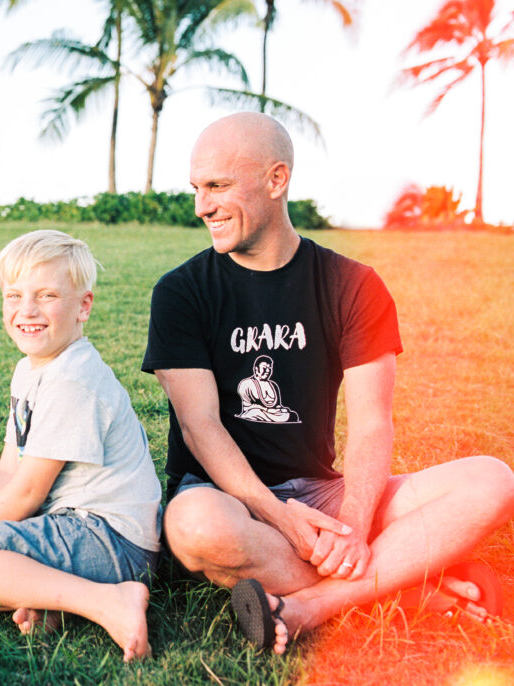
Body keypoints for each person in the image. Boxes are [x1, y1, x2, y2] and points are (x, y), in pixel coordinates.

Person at [142, 112, 514, 654]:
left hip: (325, 494)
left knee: (491, 480)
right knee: (193, 526)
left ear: (276, 180)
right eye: (197, 189)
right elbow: (201, 429)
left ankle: (314, 606)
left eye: (218, 186)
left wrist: (356, 527)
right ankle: (406, 585)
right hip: (227, 496)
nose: (202, 206)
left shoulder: (352, 284)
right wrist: (285, 522)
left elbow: (371, 426)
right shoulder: (180, 291)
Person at [0, 230, 163, 662]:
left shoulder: (73, 379)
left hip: (110, 539)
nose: (27, 311)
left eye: (47, 295)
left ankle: (111, 601)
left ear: (83, 306)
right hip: (84, 529)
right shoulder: (30, 369)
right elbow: (7, 470)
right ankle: (57, 603)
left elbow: (29, 490)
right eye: (14, 296)